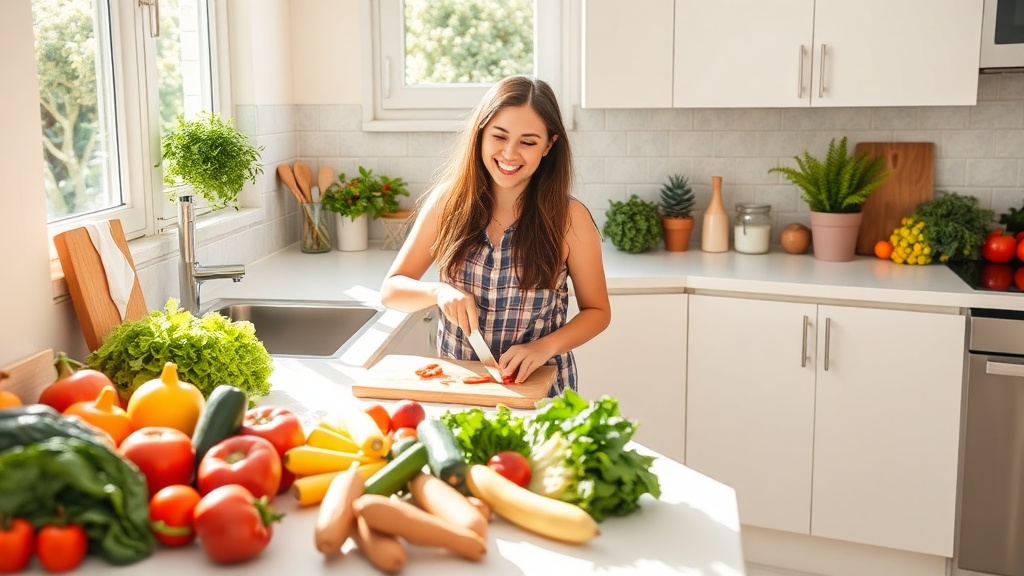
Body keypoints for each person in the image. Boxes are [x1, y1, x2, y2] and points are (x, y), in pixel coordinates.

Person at [380, 75, 610, 396]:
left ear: (549, 145)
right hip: (460, 389)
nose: (509, 153)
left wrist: (544, 347)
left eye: (528, 142)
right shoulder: (448, 202)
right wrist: (439, 292)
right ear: (480, 134)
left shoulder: (570, 218)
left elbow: (597, 312)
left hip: (542, 392)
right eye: (499, 136)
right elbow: (392, 290)